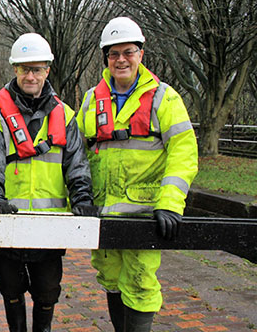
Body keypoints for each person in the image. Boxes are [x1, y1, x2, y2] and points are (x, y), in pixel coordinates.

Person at [76, 16, 198, 331]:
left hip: (144, 214)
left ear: (140, 54)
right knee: (111, 279)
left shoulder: (164, 98)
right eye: (114, 54)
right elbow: (75, 153)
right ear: (106, 58)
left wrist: (170, 203)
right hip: (103, 213)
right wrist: (80, 197)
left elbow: (184, 153)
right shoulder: (91, 100)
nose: (121, 60)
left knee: (141, 283)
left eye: (128, 52)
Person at [0, 32, 97, 332]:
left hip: (49, 225)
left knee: (47, 291)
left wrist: (82, 199)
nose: (30, 76)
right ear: (15, 69)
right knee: (10, 288)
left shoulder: (66, 116)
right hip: (8, 224)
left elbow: (77, 165)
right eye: (24, 69)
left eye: (37, 69)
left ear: (47, 70)